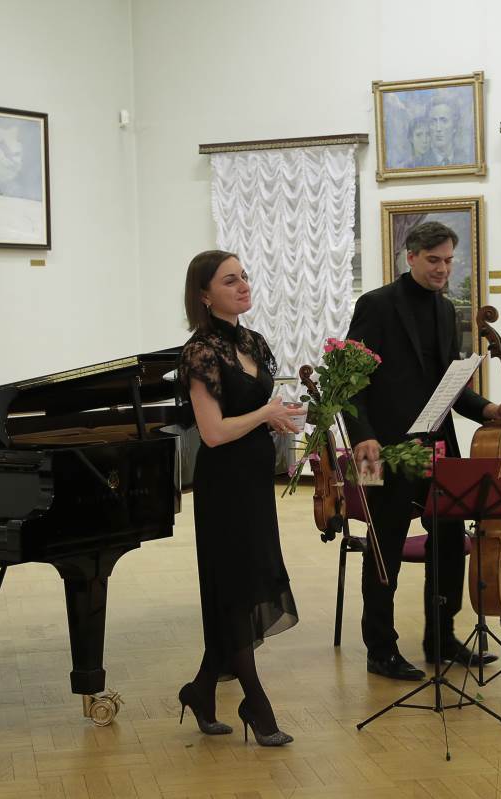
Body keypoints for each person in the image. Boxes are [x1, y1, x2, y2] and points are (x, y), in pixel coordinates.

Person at [344, 221, 501, 681]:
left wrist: (490, 409)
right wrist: (362, 436)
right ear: (410, 257)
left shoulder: (447, 311)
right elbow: (348, 380)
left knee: (448, 539)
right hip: (377, 448)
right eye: (433, 260)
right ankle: (380, 649)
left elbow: (449, 386)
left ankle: (441, 638)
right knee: (382, 548)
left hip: (437, 444)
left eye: (448, 260)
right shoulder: (376, 305)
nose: (443, 269)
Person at [175, 249, 299, 746]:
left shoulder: (253, 341)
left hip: (254, 481)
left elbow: (253, 412)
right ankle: (256, 704)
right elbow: (213, 433)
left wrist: (281, 418)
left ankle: (201, 690)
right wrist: (266, 413)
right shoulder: (200, 352)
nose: (243, 285)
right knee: (234, 589)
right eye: (230, 280)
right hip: (223, 485)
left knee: (248, 580)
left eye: (243, 276)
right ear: (205, 295)